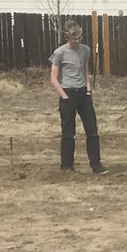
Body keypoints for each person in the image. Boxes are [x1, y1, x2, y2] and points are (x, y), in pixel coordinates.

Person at [49, 21, 107, 174]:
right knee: (68, 132)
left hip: (83, 94)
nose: (78, 41)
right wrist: (64, 96)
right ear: (68, 38)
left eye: (80, 37)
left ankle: (96, 165)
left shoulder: (85, 50)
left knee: (92, 131)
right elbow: (53, 78)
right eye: (75, 38)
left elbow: (85, 70)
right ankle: (67, 165)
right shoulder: (59, 53)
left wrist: (88, 90)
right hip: (68, 93)